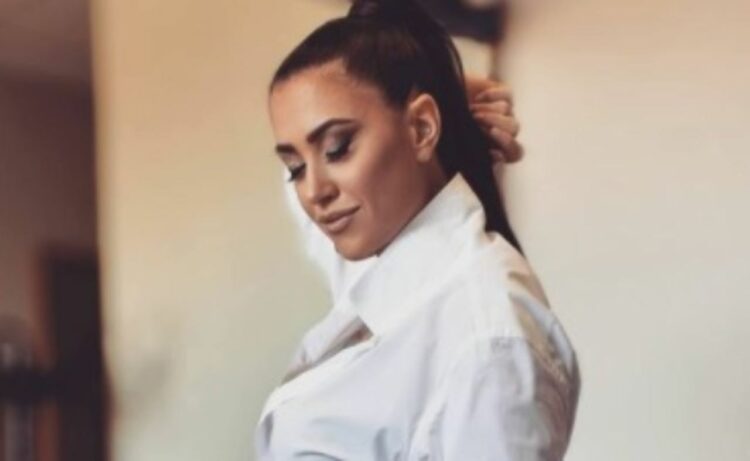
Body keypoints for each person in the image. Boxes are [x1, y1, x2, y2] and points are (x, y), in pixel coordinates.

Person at [257, 0, 580, 459]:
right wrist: (446, 98)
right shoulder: (384, 265)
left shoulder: (486, 338)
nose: (313, 192)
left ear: (422, 127)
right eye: (295, 168)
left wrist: (438, 108)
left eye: (338, 148)